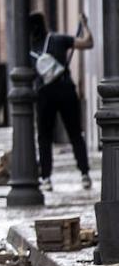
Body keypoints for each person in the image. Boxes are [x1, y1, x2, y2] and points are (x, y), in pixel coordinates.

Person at [28, 11, 94, 191]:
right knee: (75, 134)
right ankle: (85, 174)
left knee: (44, 137)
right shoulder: (58, 40)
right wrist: (85, 25)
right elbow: (88, 43)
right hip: (66, 90)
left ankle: (46, 178)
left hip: (44, 94)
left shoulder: (29, 50)